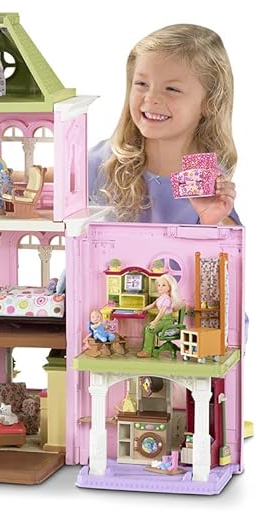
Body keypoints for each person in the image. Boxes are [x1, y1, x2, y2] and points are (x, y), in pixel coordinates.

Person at [88, 24, 239, 225]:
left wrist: (210, 221)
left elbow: (228, 239)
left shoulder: (203, 174)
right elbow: (55, 179)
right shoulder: (108, 159)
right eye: (141, 84)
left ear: (210, 103)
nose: (151, 98)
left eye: (172, 89)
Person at [138, 274, 185, 358]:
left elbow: (162, 312)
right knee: (146, 327)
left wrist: (155, 321)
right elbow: (153, 305)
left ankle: (147, 351)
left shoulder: (167, 299)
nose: (160, 287)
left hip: (167, 320)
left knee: (150, 329)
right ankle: (149, 349)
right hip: (162, 320)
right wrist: (142, 309)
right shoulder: (161, 297)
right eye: (159, 285)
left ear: (169, 287)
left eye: (163, 285)